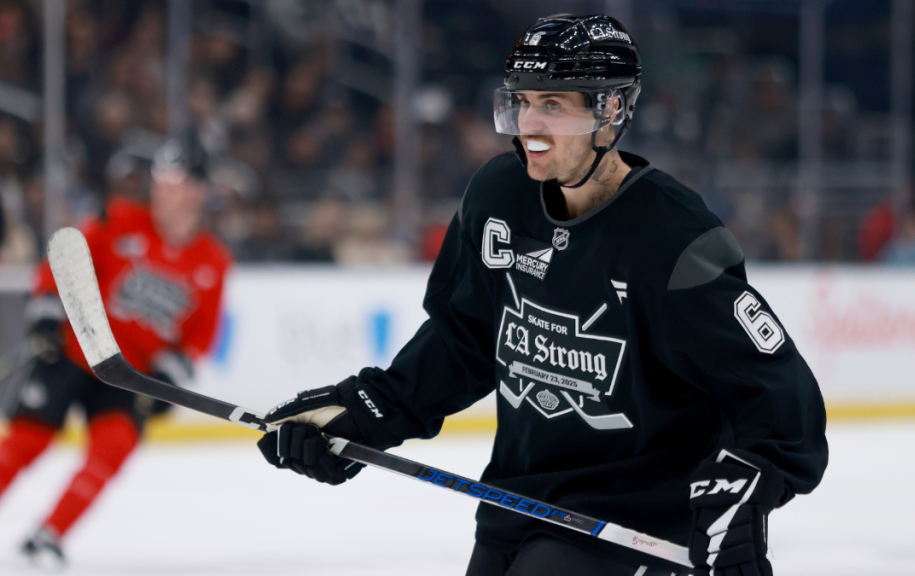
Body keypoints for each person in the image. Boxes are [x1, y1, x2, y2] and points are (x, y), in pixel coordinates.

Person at [257, 15, 828, 576]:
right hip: (515, 504)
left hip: (629, 525)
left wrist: (746, 485)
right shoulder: (499, 196)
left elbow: (780, 397)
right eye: (522, 101)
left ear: (610, 111)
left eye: (552, 105)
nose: (526, 123)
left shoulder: (672, 238)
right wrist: (374, 409)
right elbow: (465, 339)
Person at [0, 139, 231, 567]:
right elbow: (64, 257)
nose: (162, 191)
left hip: (126, 374)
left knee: (115, 445)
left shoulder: (212, 262)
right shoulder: (121, 221)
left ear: (198, 190)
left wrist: (169, 378)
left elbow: (200, 337)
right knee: (26, 442)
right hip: (72, 351)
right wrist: (48, 311)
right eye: (160, 182)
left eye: (175, 183)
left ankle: (49, 535)